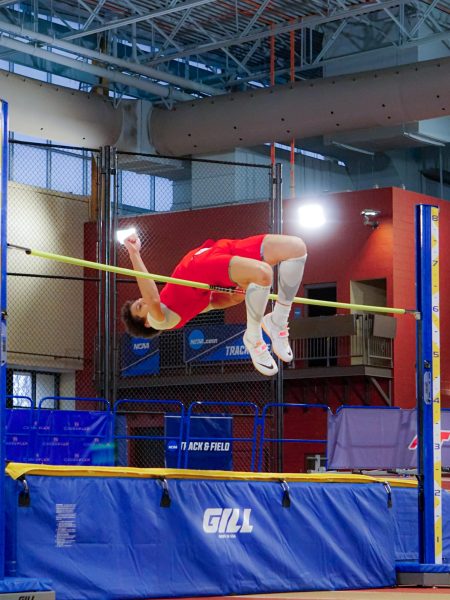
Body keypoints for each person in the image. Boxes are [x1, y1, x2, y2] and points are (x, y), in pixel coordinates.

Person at [121, 233, 307, 377]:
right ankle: (253, 338)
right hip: (199, 267)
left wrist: (240, 289)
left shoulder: (184, 307)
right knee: (263, 274)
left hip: (216, 250)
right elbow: (151, 297)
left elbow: (228, 299)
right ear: (147, 323)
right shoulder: (159, 321)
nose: (143, 300)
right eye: (140, 307)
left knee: (297, 248)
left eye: (139, 300)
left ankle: (278, 320)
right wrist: (134, 253)